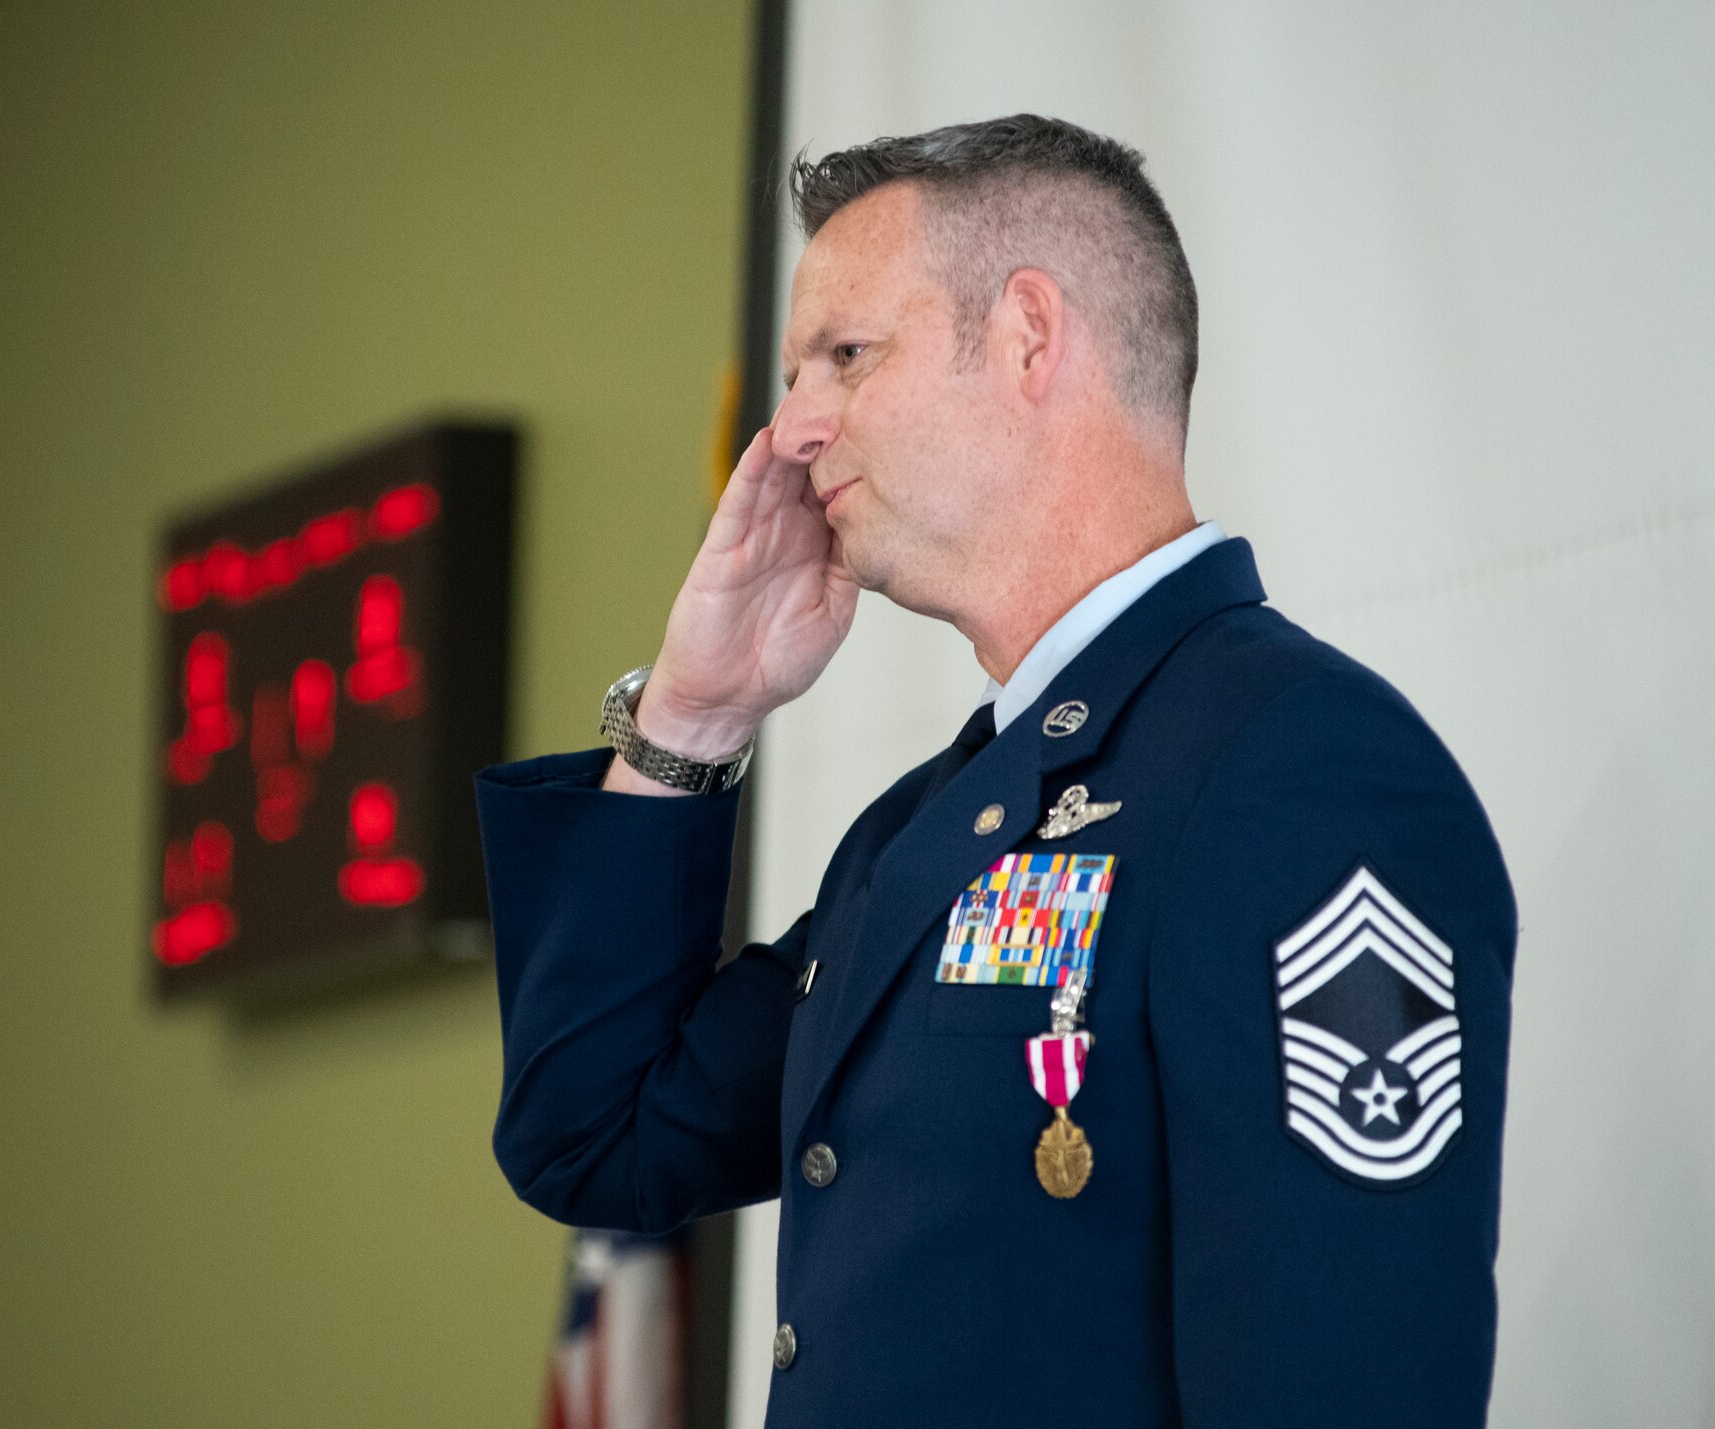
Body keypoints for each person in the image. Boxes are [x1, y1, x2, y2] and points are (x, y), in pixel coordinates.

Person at [474, 114, 1514, 1428]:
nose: (790, 428)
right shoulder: (923, 831)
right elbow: (600, 1132)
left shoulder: (1300, 769)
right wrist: (690, 713)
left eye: (845, 356)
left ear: (1030, 337)